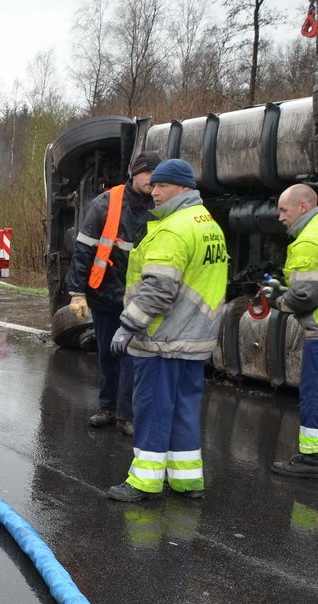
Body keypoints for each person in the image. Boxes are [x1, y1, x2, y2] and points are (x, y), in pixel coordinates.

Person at [106, 158, 228, 502]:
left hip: (161, 337)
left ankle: (143, 482)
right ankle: (187, 481)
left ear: (184, 188)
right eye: (154, 185)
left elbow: (159, 288)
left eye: (163, 186)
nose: (154, 192)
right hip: (195, 338)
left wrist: (128, 325)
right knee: (184, 409)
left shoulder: (172, 229)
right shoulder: (208, 225)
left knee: (152, 409)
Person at [67, 151, 161, 437]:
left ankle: (126, 414)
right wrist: (76, 292)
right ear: (134, 173)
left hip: (142, 298)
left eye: (158, 178)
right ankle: (107, 408)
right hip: (105, 295)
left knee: (133, 357)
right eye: (149, 175)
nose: (154, 183)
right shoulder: (106, 204)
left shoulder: (161, 206)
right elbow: (83, 249)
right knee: (109, 354)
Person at [268, 183, 318, 479]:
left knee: (313, 394)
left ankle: (312, 460)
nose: (279, 217)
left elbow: (305, 297)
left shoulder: (307, 242)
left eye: (283, 210)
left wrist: (277, 299)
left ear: (303, 207)